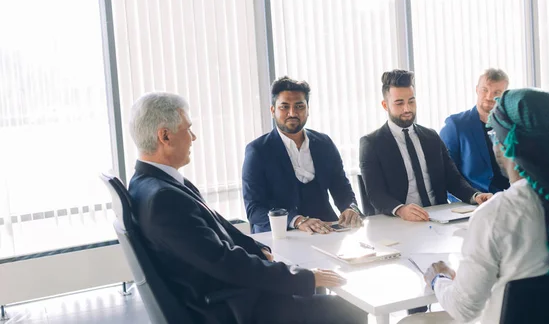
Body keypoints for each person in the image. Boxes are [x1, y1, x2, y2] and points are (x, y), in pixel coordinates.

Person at [127, 92, 367, 324]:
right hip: (233, 308)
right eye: (187, 129)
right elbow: (224, 262)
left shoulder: (151, 184)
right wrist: (304, 278)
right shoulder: (164, 198)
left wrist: (257, 249)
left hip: (229, 295)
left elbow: (219, 229)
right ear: (165, 136)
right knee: (348, 310)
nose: (193, 137)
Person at [405, 88, 549, 324]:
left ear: (505, 143)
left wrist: (439, 279)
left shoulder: (494, 217)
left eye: (493, 134)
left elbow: (464, 309)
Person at [359, 70, 492, 222]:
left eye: (411, 101)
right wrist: (401, 210)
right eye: (399, 103)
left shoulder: (431, 137)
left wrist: (475, 196)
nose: (407, 109)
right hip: (399, 221)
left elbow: (453, 179)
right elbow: (375, 193)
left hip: (439, 217)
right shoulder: (372, 143)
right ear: (385, 105)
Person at [243, 76, 361, 234]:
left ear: (308, 109)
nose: (292, 113)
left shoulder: (324, 143)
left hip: (325, 231)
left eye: (299, 106)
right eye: (284, 107)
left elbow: (341, 187)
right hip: (280, 236)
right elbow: (254, 209)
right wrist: (297, 221)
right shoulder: (257, 151)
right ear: (273, 111)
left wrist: (350, 208)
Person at [440, 69, 510, 194]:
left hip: (511, 199)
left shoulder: (512, 125)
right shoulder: (456, 125)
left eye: (497, 92)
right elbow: (447, 174)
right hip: (475, 201)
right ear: (477, 89)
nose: (489, 97)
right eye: (485, 90)